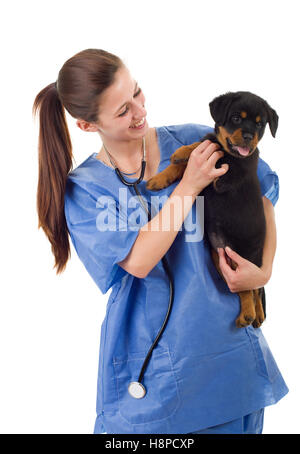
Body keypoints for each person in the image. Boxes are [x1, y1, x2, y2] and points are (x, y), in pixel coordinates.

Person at [33, 48, 288, 435]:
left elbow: (262, 195)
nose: (139, 110)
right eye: (122, 110)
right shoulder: (85, 192)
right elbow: (138, 260)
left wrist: (263, 272)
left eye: (137, 92)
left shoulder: (189, 141)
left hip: (231, 363)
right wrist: (188, 184)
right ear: (88, 125)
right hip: (154, 380)